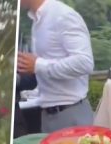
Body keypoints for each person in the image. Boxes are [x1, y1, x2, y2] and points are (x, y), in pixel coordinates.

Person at [17, 0, 94, 133]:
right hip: (47, 115)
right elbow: (40, 66)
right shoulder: (36, 21)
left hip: (71, 114)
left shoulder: (62, 15)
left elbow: (85, 62)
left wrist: (37, 65)